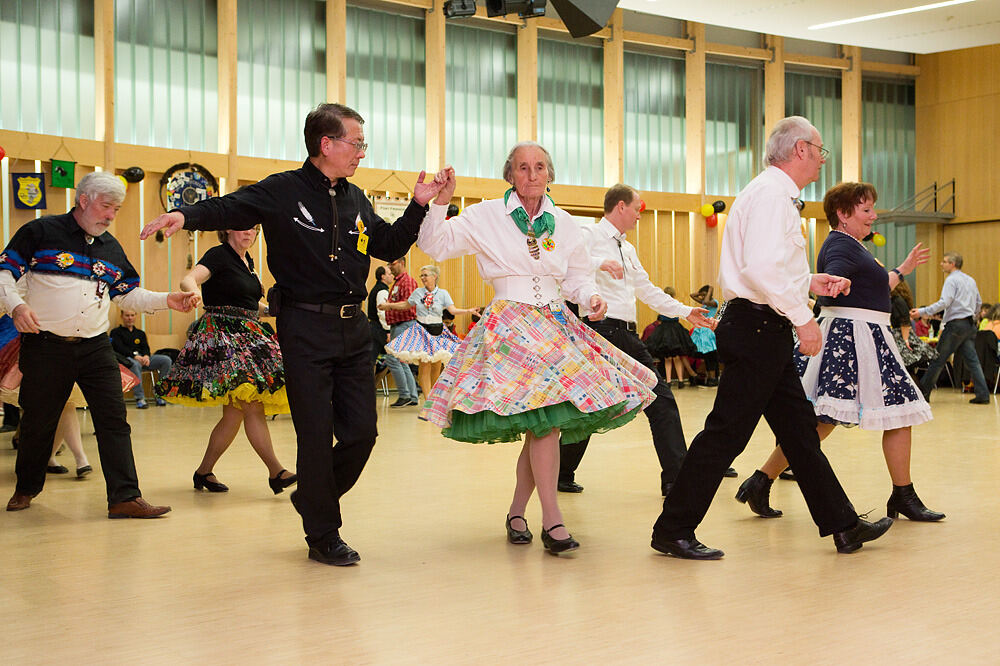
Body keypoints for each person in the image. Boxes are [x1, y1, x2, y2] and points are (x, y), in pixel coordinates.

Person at [141, 102, 450, 566]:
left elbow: (386, 245)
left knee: (363, 433)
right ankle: (324, 533)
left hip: (352, 332)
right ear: (326, 144)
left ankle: (312, 497)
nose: (362, 152)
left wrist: (419, 205)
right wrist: (183, 217)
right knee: (313, 433)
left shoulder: (356, 198)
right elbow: (230, 205)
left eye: (363, 144)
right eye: (356, 143)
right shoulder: (283, 191)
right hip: (304, 328)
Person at [649, 116, 893, 560]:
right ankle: (673, 528)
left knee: (800, 433)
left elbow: (767, 269)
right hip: (759, 327)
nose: (822, 159)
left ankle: (843, 525)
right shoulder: (773, 197)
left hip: (763, 325)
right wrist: (803, 317)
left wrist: (809, 282)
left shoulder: (773, 194)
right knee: (726, 434)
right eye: (820, 150)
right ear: (800, 150)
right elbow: (761, 271)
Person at [417, 145, 658, 556]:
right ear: (510, 174)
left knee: (542, 424)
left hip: (554, 322)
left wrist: (592, 297)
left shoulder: (564, 223)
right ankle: (553, 519)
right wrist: (441, 202)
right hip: (509, 324)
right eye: (523, 168)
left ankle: (518, 511)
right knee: (543, 424)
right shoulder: (486, 214)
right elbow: (436, 245)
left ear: (550, 174)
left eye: (540, 167)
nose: (532, 174)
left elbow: (579, 278)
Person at [734, 182, 943, 523]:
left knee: (874, 415)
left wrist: (901, 270)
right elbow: (834, 278)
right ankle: (762, 479)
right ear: (844, 215)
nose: (873, 216)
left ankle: (902, 494)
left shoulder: (853, 246)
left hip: (867, 334)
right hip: (852, 337)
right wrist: (834, 281)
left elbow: (871, 290)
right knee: (829, 420)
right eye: (866, 210)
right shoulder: (841, 247)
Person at [2, 171, 198, 517]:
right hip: (45, 346)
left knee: (114, 419)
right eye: (106, 206)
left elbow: (127, 295)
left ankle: (124, 497)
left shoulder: (111, 248)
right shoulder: (39, 232)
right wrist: (15, 305)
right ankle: (26, 488)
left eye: (117, 209)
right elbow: (4, 273)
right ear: (83, 201)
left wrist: (167, 299)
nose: (110, 215)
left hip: (94, 347)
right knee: (38, 422)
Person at [554, 184, 715, 498]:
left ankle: (561, 472)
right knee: (660, 398)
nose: (641, 214)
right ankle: (676, 478)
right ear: (620, 207)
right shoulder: (588, 235)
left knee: (590, 403)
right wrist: (600, 263)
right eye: (637, 207)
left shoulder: (627, 249)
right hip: (602, 331)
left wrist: (685, 312)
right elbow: (561, 269)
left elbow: (648, 290)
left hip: (623, 332)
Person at [157, 226, 296, 495]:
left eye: (253, 229)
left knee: (234, 414)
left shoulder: (249, 261)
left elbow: (246, 301)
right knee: (251, 403)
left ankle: (203, 472)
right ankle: (276, 472)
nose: (249, 233)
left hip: (248, 333)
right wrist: (193, 292)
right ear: (228, 231)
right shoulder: (219, 255)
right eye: (243, 228)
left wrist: (270, 310)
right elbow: (189, 279)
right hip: (224, 334)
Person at [380, 264, 479, 400]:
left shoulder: (443, 293)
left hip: (437, 331)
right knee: (424, 366)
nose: (423, 278)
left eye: (425, 275)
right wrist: (389, 306)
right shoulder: (418, 293)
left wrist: (468, 311)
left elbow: (452, 310)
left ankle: (435, 397)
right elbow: (406, 305)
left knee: (436, 366)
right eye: (421, 275)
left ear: (434, 276)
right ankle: (428, 400)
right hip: (422, 331)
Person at [911, 252, 991, 404]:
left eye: (944, 261)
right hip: (969, 324)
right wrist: (973, 318)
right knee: (973, 361)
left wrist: (922, 311)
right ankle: (983, 394)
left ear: (952, 264)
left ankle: (922, 394)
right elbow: (979, 303)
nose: (941, 264)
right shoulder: (970, 280)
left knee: (938, 359)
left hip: (955, 325)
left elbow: (944, 302)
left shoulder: (951, 280)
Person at [110, 310, 173, 408]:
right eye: (127, 315)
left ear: (135, 316)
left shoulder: (140, 333)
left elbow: (145, 348)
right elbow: (119, 348)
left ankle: (160, 394)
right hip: (127, 360)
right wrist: (135, 357)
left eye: (132, 315)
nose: (130, 318)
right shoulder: (116, 332)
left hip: (143, 358)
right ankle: (140, 398)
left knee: (166, 360)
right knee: (135, 364)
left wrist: (146, 357)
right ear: (122, 316)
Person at [643, 286, 699, 388]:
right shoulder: (674, 302)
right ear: (673, 294)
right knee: (677, 358)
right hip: (675, 330)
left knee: (667, 358)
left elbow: (660, 317)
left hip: (664, 331)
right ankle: (680, 381)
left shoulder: (661, 303)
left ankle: (668, 381)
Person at [383, 256, 420, 407]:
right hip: (398, 325)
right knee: (401, 360)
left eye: (392, 263)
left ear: (402, 263)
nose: (390, 267)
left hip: (405, 324)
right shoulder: (398, 282)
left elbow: (409, 305)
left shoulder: (408, 282)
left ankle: (406, 395)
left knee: (392, 358)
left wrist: (389, 306)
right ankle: (411, 396)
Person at [889, 279, 937, 375]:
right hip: (902, 334)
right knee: (907, 370)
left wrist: (905, 340)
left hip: (901, 335)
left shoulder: (897, 300)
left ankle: (920, 390)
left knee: (906, 370)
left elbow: (904, 322)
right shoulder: (899, 300)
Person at [688, 285, 721, 386]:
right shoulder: (704, 303)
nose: (702, 297)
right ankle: (705, 376)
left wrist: (710, 289)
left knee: (710, 355)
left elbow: (706, 301)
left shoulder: (714, 302)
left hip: (708, 331)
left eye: (704, 294)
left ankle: (713, 377)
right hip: (701, 330)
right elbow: (692, 295)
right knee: (702, 355)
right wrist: (701, 293)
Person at [367, 265, 392, 364]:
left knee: (372, 360)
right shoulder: (382, 291)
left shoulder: (378, 288)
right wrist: (388, 330)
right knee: (395, 360)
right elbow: (382, 313)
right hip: (379, 328)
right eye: (389, 274)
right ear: (383, 276)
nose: (392, 276)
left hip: (374, 327)